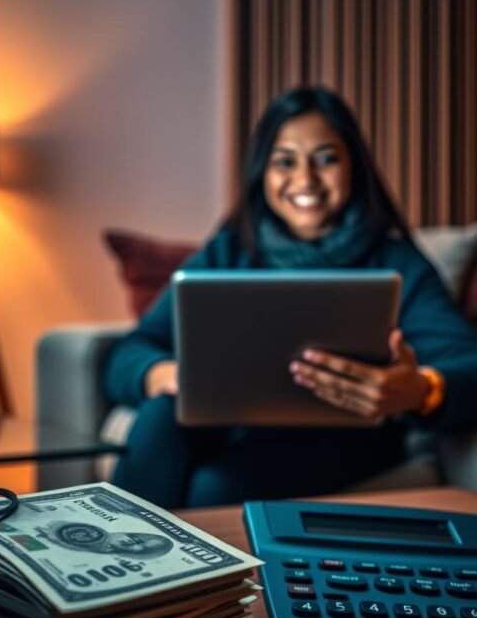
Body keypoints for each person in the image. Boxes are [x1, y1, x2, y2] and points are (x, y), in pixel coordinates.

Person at [101, 86, 477, 509]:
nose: (305, 179)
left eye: (326, 159)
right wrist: (163, 375)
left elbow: (469, 365)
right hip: (234, 426)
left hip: (347, 441)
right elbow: (130, 351)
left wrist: (421, 389)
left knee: (212, 487)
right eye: (285, 162)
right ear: (264, 172)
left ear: (353, 165)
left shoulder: (396, 261)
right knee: (161, 415)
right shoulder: (231, 249)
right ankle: (116, 556)